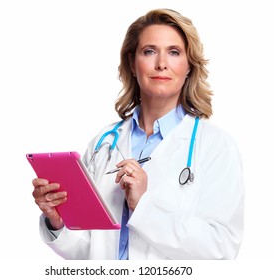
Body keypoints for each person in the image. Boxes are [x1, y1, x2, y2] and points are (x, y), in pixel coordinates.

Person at [32, 8, 244, 260]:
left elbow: (222, 247)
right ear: (132, 63)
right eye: (149, 51)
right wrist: (57, 222)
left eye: (174, 52)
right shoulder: (104, 144)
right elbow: (89, 250)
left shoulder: (215, 145)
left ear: (189, 66)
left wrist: (144, 205)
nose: (161, 63)